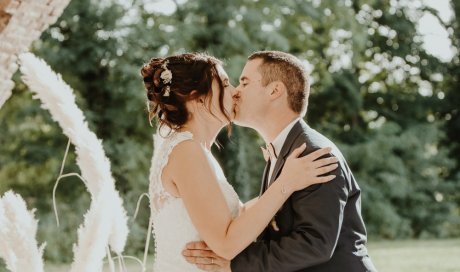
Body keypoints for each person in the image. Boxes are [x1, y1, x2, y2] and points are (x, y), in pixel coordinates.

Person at [140, 52, 338, 271]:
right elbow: (226, 244)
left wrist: (283, 176)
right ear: (197, 99)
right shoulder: (187, 151)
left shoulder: (196, 150)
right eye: (225, 84)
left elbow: (235, 217)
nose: (234, 92)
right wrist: (286, 182)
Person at [183, 51, 377, 271]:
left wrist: (236, 263)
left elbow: (315, 244)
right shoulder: (283, 150)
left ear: (275, 90)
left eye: (244, 83)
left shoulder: (313, 154)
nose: (235, 92)